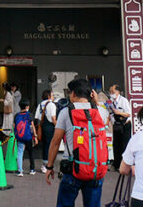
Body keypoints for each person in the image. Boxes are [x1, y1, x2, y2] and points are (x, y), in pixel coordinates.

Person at [45, 78, 106, 207]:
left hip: (72, 169)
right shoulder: (100, 111)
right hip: (95, 169)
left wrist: (49, 167)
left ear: (73, 94)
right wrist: (96, 102)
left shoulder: (66, 112)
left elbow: (56, 141)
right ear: (91, 93)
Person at [108, 84, 131, 170]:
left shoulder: (123, 101)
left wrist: (119, 112)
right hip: (116, 125)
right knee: (116, 145)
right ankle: (116, 165)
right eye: (110, 92)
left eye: (113, 92)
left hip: (125, 125)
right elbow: (110, 112)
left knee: (124, 145)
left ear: (118, 92)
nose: (111, 93)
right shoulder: (110, 101)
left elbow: (128, 113)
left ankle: (124, 165)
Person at [14, 98, 38, 176]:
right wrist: (35, 136)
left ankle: (20, 171)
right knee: (31, 152)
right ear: (27, 106)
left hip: (20, 137)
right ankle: (32, 169)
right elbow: (32, 126)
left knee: (20, 152)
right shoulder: (29, 114)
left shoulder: (17, 115)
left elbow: (14, 126)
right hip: (28, 137)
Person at [35, 90, 57, 173]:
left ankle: (44, 165)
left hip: (42, 126)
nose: (53, 97)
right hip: (50, 127)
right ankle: (48, 165)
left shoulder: (40, 104)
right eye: (52, 95)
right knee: (51, 146)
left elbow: (37, 117)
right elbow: (53, 118)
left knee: (45, 146)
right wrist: (59, 126)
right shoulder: (51, 104)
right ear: (48, 96)